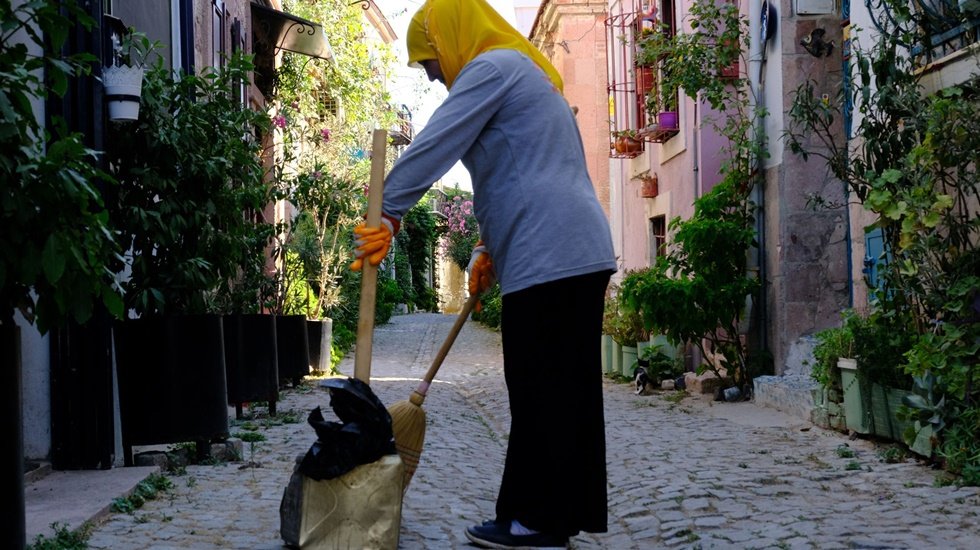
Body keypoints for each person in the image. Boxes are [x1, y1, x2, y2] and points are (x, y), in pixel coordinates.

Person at [351, 0, 616, 547]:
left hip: (549, 255)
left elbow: (433, 145)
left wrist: (388, 213)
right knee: (566, 391)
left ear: (450, 38)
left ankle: (535, 521)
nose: (435, 76)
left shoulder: (489, 68)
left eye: (430, 63)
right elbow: (520, 170)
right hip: (573, 250)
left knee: (540, 388)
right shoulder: (526, 75)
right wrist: (486, 246)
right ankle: (548, 517)